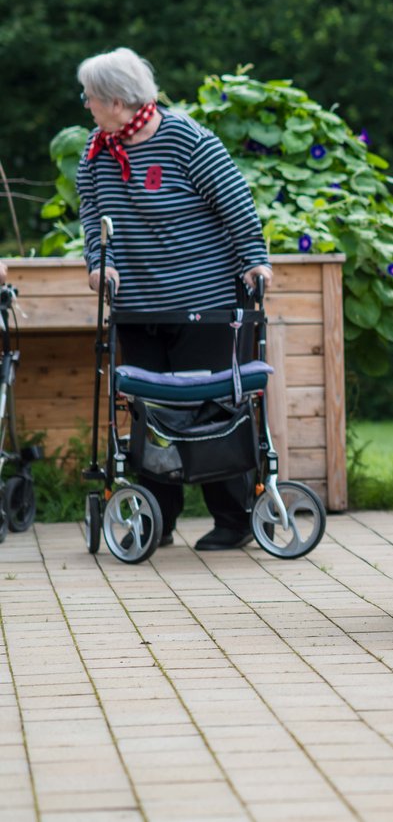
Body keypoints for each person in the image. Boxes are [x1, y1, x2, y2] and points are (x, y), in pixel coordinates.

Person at [76, 48, 272, 551]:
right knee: (149, 410)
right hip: (137, 305)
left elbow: (235, 203)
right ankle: (155, 518)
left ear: (117, 101)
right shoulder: (96, 151)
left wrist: (254, 259)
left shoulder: (186, 139)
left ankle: (234, 519)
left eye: (91, 96)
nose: (86, 105)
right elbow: (92, 215)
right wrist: (100, 262)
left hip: (202, 302)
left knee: (211, 407)